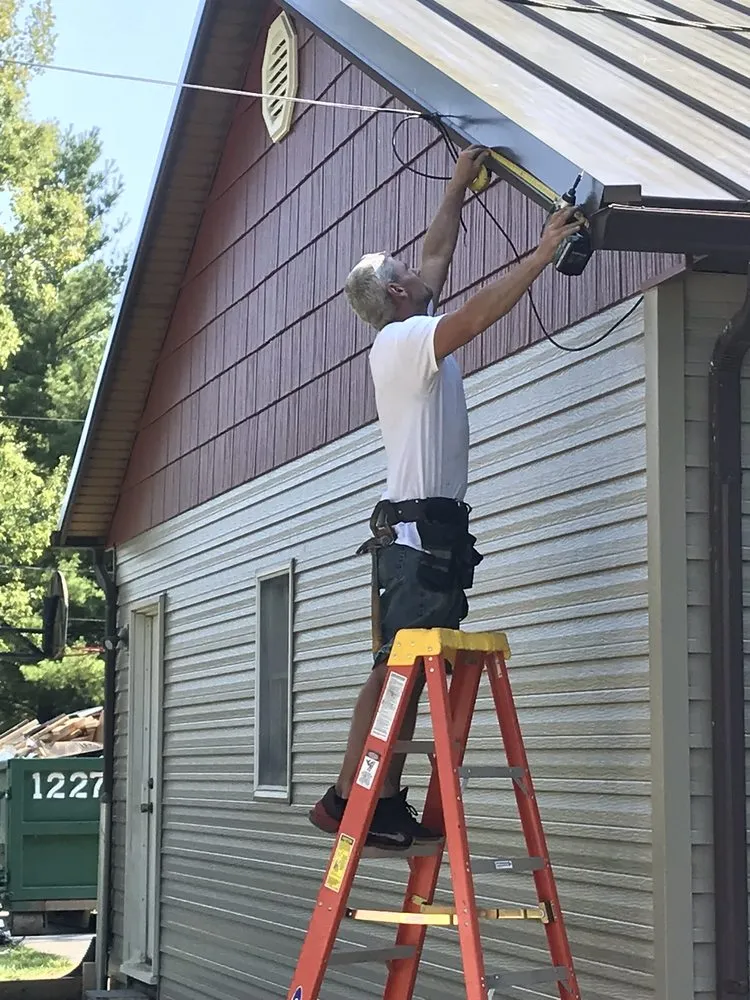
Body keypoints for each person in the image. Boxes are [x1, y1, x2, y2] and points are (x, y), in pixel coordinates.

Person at [309, 146, 580, 850]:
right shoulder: (405, 341)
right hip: (414, 542)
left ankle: (374, 796)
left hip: (427, 537)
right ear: (397, 295)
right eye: (406, 274)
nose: (419, 270)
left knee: (395, 670)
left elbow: (435, 255)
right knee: (396, 672)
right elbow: (474, 315)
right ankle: (353, 798)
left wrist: (459, 183)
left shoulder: (402, 323)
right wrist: (543, 251)